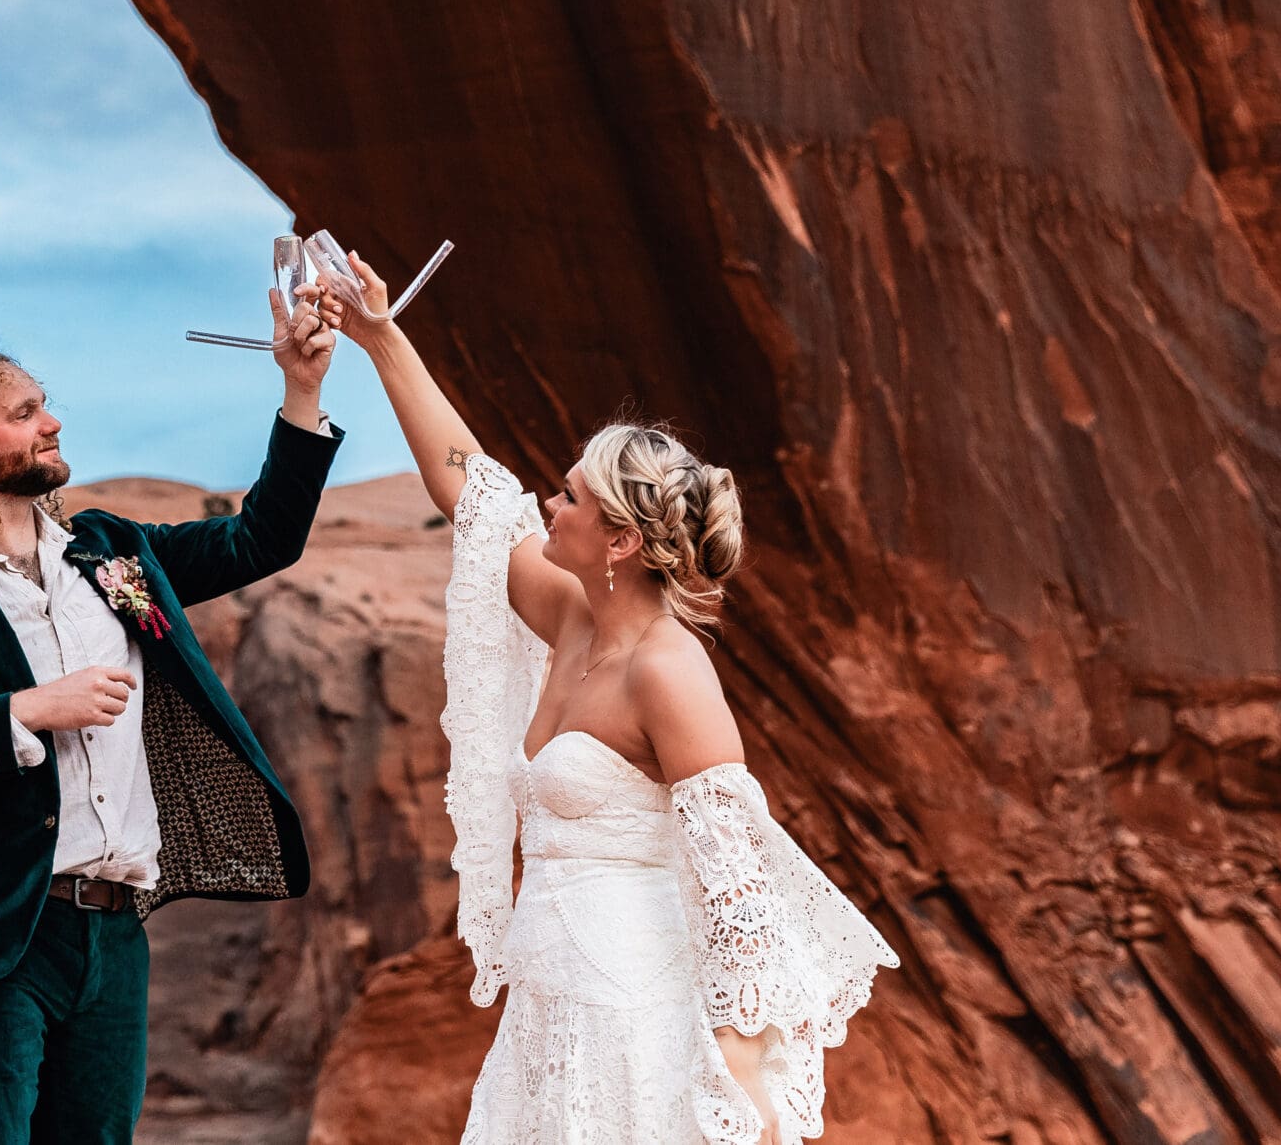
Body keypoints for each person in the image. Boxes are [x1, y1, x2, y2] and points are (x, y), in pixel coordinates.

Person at [320, 254, 896, 1144]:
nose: (548, 504)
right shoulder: (570, 617)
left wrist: (737, 1082)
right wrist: (381, 338)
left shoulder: (669, 670)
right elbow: (469, 489)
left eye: (571, 495)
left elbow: (739, 884)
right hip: (548, 1013)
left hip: (633, 1021)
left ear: (620, 539)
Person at [0, 292, 343, 1145]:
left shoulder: (110, 553)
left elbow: (263, 538)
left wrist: (301, 389)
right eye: (25, 412)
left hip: (113, 936)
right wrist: (23, 711)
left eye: (46, 403)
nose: (53, 421)